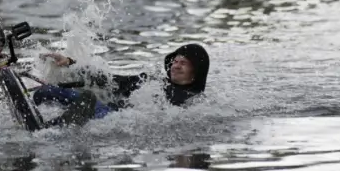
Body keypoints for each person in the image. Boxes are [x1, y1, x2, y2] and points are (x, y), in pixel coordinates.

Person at [32, 43, 210, 128]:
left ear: (195, 73)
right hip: (108, 110)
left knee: (87, 105)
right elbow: (111, 80)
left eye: (183, 63)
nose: (176, 65)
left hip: (112, 118)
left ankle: (46, 127)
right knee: (44, 92)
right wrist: (71, 62)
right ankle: (42, 122)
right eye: (175, 61)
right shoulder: (151, 81)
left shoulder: (192, 102)